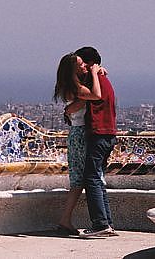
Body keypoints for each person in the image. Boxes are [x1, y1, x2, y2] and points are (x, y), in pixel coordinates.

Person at [53, 52, 103, 236]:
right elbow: (97, 95)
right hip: (80, 134)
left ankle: (65, 220)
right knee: (79, 180)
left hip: (78, 133)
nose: (85, 67)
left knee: (79, 180)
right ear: (72, 69)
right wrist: (96, 74)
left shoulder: (73, 87)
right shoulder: (75, 89)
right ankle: (65, 219)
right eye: (81, 65)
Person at [75, 46, 118, 238]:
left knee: (91, 178)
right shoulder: (102, 79)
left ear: (89, 63)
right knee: (98, 179)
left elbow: (91, 95)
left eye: (82, 63)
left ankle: (100, 224)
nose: (80, 67)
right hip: (109, 134)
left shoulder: (95, 81)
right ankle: (106, 223)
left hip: (99, 134)